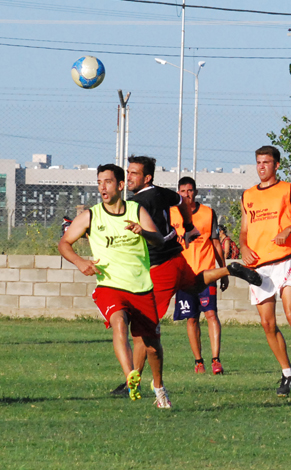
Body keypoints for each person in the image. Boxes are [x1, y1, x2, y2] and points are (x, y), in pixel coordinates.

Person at [111, 155, 262, 394]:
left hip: (160, 269)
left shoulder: (139, 202)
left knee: (144, 328)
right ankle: (229, 269)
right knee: (194, 284)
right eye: (128, 172)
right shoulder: (160, 192)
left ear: (146, 177)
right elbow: (182, 202)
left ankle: (134, 381)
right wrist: (189, 225)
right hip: (178, 260)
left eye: (133, 173)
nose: (128, 177)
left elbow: (139, 237)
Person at [58, 164, 172, 408]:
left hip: (141, 287)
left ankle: (160, 390)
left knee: (152, 346)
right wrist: (80, 263)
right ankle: (131, 375)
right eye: (99, 182)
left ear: (121, 185)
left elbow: (160, 240)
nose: (102, 187)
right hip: (109, 285)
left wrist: (144, 232)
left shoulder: (136, 209)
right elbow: (64, 243)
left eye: (108, 181)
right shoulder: (92, 215)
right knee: (118, 321)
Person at [239, 145, 291, 396]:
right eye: (258, 162)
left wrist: (290, 229)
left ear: (276, 165)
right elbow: (244, 229)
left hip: (285, 259)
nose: (261, 166)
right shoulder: (247, 195)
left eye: (266, 162)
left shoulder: (288, 189)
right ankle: (288, 372)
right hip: (259, 265)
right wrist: (242, 246)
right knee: (267, 323)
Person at [170, 177, 227, 375]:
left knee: (211, 314)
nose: (187, 194)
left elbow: (216, 243)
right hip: (184, 276)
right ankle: (198, 362)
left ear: (196, 192)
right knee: (191, 319)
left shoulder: (207, 213)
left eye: (190, 190)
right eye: (183, 190)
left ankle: (216, 360)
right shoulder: (172, 214)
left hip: (206, 273)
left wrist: (224, 270)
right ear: (178, 192)